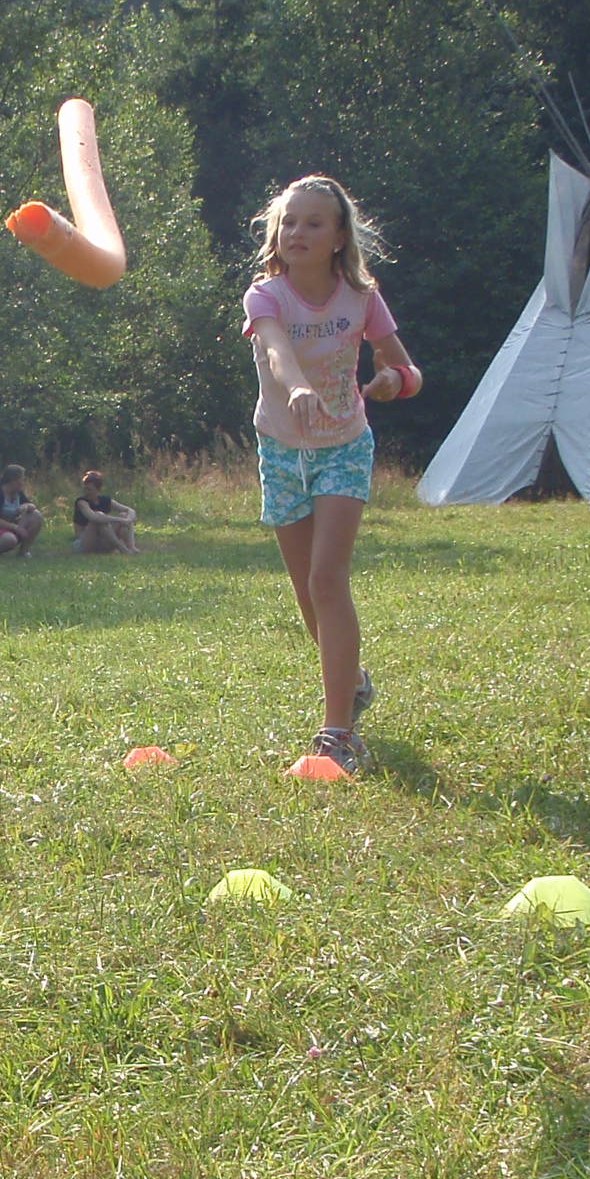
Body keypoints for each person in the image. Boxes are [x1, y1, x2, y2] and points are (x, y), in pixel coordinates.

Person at [242, 175, 420, 779]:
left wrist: (394, 380)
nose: (297, 232)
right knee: (306, 592)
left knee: (326, 578)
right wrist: (296, 388)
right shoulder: (265, 296)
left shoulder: (360, 298)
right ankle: (354, 682)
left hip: (343, 445)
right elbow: (275, 351)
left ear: (339, 236)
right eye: (289, 222)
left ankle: (339, 733)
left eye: (313, 223)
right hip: (281, 450)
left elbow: (405, 367)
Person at [0, 466, 43, 555]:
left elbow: (32, 506)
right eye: (22, 479)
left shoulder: (18, 493)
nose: (23, 483)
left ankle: (23, 552)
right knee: (10, 540)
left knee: (36, 515)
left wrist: (26, 506)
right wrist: (16, 528)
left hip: (9, 529)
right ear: (13, 480)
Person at [70, 470, 139, 553]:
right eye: (85, 489)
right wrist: (120, 520)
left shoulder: (105, 500)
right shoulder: (81, 502)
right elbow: (94, 517)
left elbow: (130, 510)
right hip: (84, 543)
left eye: (89, 489)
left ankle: (131, 546)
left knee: (124, 515)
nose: (86, 492)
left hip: (101, 540)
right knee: (100, 518)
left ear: (98, 489)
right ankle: (122, 548)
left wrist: (128, 519)